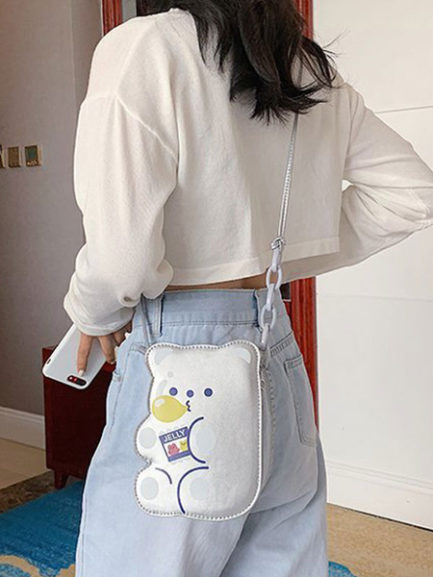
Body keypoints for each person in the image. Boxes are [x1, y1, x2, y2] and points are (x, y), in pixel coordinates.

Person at [63, 2, 433, 576]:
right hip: (274, 348)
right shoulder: (303, 67)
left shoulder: (144, 46)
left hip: (177, 354)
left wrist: (92, 311)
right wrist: (275, 259)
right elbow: (413, 193)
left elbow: (120, 261)